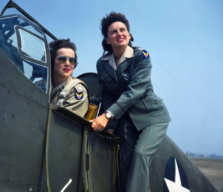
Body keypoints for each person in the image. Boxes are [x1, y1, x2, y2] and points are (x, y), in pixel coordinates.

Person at [91, 12, 171, 192]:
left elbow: (135, 91)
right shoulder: (102, 63)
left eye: (123, 30)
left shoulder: (141, 56)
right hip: (126, 120)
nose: (119, 33)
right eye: (113, 32)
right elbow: (108, 94)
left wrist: (107, 115)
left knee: (141, 154)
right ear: (107, 39)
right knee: (126, 164)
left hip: (152, 117)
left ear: (129, 34)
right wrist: (110, 124)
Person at [49, 39, 89, 117]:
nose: (67, 64)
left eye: (72, 60)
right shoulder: (42, 84)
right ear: (52, 60)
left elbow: (65, 125)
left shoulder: (77, 90)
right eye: (62, 59)